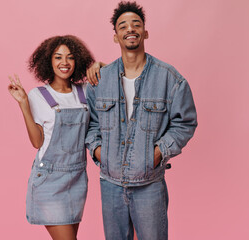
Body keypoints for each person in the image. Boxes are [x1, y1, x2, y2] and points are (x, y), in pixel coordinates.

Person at [85, 1, 198, 240]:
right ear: (116, 36)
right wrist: (98, 152)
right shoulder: (100, 79)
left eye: (136, 24)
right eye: (123, 25)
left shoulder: (169, 78)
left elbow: (185, 123)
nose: (130, 29)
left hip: (150, 185)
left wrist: (157, 152)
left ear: (145, 32)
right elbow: (91, 123)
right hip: (110, 184)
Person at [8, 35, 94, 240]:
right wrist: (23, 104)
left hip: (77, 177)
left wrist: (98, 66)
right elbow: (37, 142)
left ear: (78, 61)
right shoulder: (38, 95)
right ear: (49, 61)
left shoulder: (85, 91)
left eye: (70, 57)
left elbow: (115, 77)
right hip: (50, 180)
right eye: (58, 57)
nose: (64, 62)